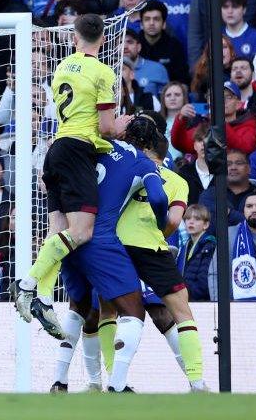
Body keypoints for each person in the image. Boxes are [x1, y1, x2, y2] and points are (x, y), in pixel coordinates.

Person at [12, 14, 130, 333]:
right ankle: (27, 283)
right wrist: (120, 127)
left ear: (74, 37)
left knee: (57, 232)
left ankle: (46, 300)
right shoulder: (103, 72)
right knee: (80, 233)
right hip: (78, 151)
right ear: (104, 40)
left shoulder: (62, 67)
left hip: (56, 148)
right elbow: (106, 128)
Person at [52, 127, 170, 393]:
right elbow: (159, 197)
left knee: (78, 307)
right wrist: (161, 223)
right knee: (133, 311)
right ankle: (117, 385)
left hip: (69, 236)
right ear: (147, 143)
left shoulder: (90, 146)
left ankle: (59, 380)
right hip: (100, 240)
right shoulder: (141, 160)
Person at [115, 113, 207, 391]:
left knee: (111, 313)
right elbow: (173, 221)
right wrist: (158, 232)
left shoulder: (120, 168)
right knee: (180, 311)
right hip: (152, 247)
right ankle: (197, 382)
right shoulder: (177, 180)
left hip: (115, 246)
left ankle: (110, 383)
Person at [209, 192, 256, 301]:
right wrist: (219, 305)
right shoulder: (229, 235)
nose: (254, 210)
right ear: (244, 210)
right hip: (236, 309)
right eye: (249, 206)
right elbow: (215, 273)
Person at [138, 0, 190, 84]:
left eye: (156, 19)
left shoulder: (174, 46)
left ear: (164, 24)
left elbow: (182, 80)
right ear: (141, 24)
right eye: (147, 19)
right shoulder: (134, 44)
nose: (151, 23)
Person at [178, 204, 217, 302]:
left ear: (206, 225)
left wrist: (183, 294)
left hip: (201, 301)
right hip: (187, 299)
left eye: (197, 219)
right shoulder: (186, 245)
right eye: (188, 218)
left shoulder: (210, 245)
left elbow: (205, 282)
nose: (191, 222)